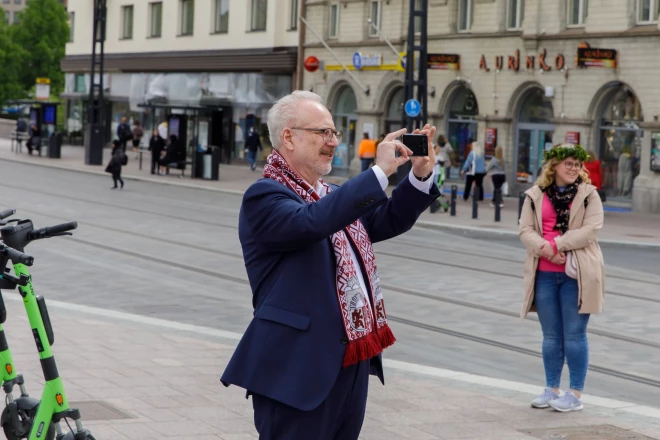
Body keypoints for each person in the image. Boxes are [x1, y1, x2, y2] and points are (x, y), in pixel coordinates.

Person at [220, 90, 440, 439]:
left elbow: (386, 220)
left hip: (349, 360)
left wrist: (419, 176)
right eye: (323, 132)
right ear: (288, 137)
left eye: (334, 133)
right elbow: (311, 222)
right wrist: (378, 173)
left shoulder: (331, 195)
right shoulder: (264, 197)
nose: (333, 141)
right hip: (296, 369)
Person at [519, 143, 605, 413]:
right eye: (568, 163)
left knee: (575, 335)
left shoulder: (589, 195)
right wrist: (543, 248)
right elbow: (525, 229)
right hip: (544, 274)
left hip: (577, 275)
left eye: (577, 164)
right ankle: (551, 388)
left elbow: (591, 230)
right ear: (553, 165)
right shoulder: (535, 195)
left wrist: (556, 246)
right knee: (551, 336)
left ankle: (575, 394)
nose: (573, 168)